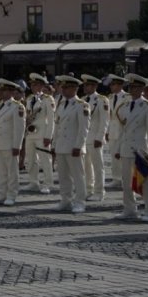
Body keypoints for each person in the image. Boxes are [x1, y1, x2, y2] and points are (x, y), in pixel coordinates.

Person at [114, 74, 148, 222]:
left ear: (142, 89)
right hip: (127, 148)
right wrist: (119, 148)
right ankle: (130, 209)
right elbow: (123, 130)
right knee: (126, 181)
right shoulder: (125, 106)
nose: (133, 90)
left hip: (140, 149)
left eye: (136, 87)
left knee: (145, 181)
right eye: (131, 87)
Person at [52, 75, 88, 214]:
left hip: (74, 147)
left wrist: (78, 146)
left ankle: (80, 202)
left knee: (78, 176)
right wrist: (54, 145)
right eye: (63, 87)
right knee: (63, 176)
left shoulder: (81, 105)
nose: (63, 90)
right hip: (61, 145)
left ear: (75, 89)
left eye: (66, 87)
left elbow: (83, 128)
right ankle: (65, 200)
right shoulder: (61, 105)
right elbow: (58, 127)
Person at [0, 79, 26, 206]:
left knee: (12, 171)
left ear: (10, 92)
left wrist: (17, 146)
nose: (1, 92)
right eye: (1, 90)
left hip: (10, 144)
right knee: (2, 171)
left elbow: (19, 128)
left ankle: (11, 195)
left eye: (4, 90)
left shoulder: (17, 106)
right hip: (0, 142)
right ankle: (2, 194)